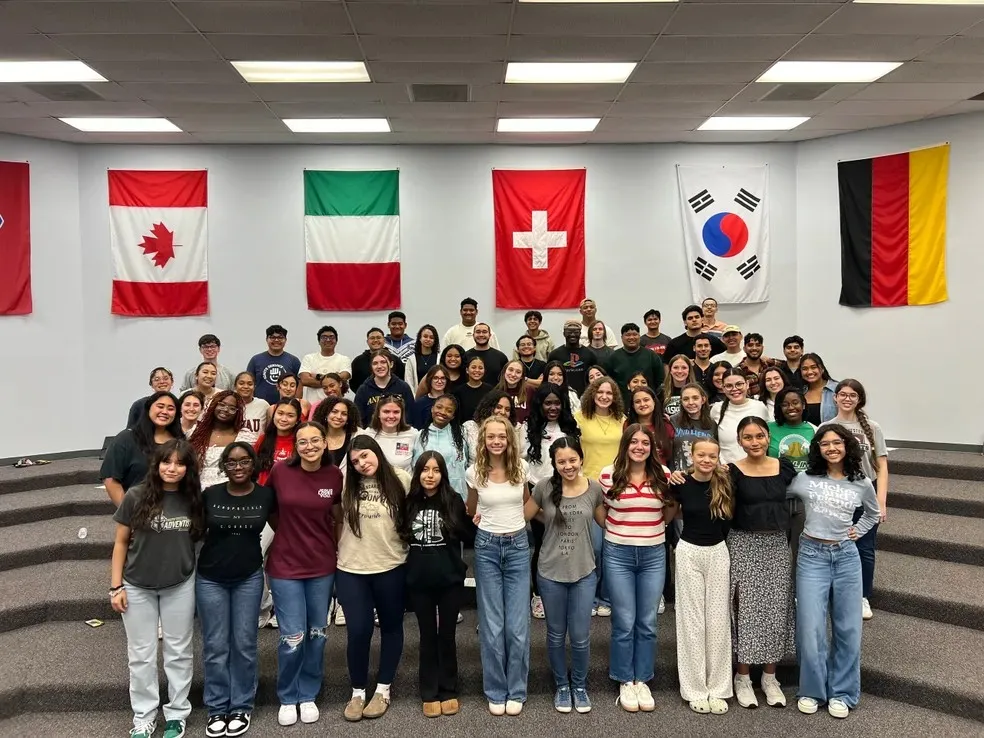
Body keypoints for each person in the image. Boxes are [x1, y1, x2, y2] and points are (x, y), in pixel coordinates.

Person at [110, 439, 203, 738]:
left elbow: (198, 540)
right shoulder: (136, 496)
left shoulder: (194, 498)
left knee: (178, 652)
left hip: (180, 583)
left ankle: (177, 713)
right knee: (141, 655)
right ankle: (144, 716)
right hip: (137, 586)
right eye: (166, 462)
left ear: (188, 468)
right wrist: (115, 587)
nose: (172, 468)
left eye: (179, 463)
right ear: (157, 464)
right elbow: (121, 542)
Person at [789, 424, 880, 719]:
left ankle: (842, 692)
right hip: (811, 555)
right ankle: (812, 690)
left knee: (848, 628)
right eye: (825, 444)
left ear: (847, 445)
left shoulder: (861, 482)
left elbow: (873, 513)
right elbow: (774, 493)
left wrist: (858, 530)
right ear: (817, 448)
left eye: (836, 443)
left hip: (845, 558)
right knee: (811, 626)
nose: (831, 448)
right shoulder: (804, 479)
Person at [266, 422, 344, 727]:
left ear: (325, 444)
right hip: (285, 564)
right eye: (302, 442)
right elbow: (271, 512)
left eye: (315, 441)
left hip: (321, 565)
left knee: (317, 633)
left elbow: (336, 516)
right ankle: (287, 695)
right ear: (295, 447)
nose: (309, 446)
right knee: (292, 636)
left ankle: (308, 692)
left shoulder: (334, 475)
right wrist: (289, 535)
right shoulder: (280, 472)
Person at [197, 442, 276, 738]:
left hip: (248, 577)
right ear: (224, 467)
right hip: (210, 578)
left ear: (253, 464)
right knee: (216, 646)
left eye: (244, 461)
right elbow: (193, 530)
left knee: (244, 644)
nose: (239, 467)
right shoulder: (211, 495)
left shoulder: (265, 495)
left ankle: (242, 705)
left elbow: (282, 529)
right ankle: (217, 707)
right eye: (232, 462)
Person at [524, 437, 606, 714]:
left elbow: (606, 521)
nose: (568, 466)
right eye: (562, 461)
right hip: (550, 572)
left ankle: (579, 686)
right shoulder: (544, 487)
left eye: (573, 460)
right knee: (556, 634)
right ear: (554, 463)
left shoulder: (594, 488)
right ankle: (562, 685)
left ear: (581, 459)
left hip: (584, 572)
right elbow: (524, 515)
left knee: (581, 636)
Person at [599, 425, 674, 713]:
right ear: (625, 445)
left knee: (647, 620)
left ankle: (642, 678)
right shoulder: (608, 474)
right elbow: (602, 511)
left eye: (645, 442)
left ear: (652, 447)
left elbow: (668, 511)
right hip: (618, 553)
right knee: (624, 619)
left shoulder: (664, 476)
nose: (639, 446)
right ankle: (624, 679)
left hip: (654, 554)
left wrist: (650, 531)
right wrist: (621, 532)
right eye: (634, 441)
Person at [338, 435, 412, 722]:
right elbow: (334, 519)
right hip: (351, 567)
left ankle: (383, 689)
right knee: (358, 630)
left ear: (377, 452)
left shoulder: (401, 479)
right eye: (355, 461)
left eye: (365, 456)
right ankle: (357, 692)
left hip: (391, 565)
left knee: (392, 627)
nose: (361, 464)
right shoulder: (346, 483)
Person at [727, 417, 796, 710]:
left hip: (777, 545)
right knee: (746, 608)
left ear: (769, 438)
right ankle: (742, 677)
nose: (754, 442)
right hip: (743, 543)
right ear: (740, 441)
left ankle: (770, 676)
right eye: (747, 437)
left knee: (776, 608)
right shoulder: (732, 471)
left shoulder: (785, 468)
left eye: (759, 436)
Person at [466, 416, 531, 717]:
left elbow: (527, 504)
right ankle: (496, 689)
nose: (496, 441)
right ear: (483, 440)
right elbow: (471, 508)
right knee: (492, 626)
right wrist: (480, 516)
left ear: (508, 440)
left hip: (518, 546)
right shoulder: (474, 473)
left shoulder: (522, 468)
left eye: (501, 436)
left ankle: (516, 689)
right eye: (490, 436)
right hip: (487, 548)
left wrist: (516, 523)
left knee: (517, 627)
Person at [402, 451, 471, 718]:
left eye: (436, 470)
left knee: (448, 635)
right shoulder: (409, 503)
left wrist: (470, 518)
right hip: (419, 581)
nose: (430, 475)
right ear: (418, 473)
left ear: (443, 474)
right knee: (427, 635)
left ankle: (449, 688)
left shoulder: (453, 501)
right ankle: (429, 690)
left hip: (449, 579)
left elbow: (467, 532)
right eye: (425, 470)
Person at [668, 438, 733, 716]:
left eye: (712, 456)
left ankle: (718, 689)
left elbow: (729, 521)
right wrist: (671, 478)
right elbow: (669, 513)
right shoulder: (680, 483)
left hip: (718, 552)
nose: (706, 460)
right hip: (689, 552)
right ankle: (694, 689)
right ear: (691, 456)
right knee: (692, 622)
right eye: (701, 455)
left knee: (718, 621)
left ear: (718, 458)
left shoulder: (727, 483)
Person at [817, 379, 889, 622]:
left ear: (860, 400)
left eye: (853, 395)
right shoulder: (827, 426)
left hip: (865, 497)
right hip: (836, 496)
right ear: (835, 398)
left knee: (864, 548)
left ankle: (862, 596)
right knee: (834, 546)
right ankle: (836, 593)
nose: (847, 399)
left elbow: (882, 467)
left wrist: (881, 501)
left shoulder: (873, 427)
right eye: (843, 394)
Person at [102, 391, 183, 507]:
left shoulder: (180, 441)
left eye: (170, 408)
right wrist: (127, 512)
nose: (164, 412)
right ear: (148, 408)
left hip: (174, 511)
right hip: (138, 510)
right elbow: (111, 480)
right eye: (160, 406)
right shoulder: (126, 439)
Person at [413, 395, 469, 500]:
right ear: (432, 409)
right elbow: (416, 468)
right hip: (426, 497)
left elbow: (465, 466)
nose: (443, 412)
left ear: (453, 416)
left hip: (456, 497)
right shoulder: (420, 436)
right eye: (439, 407)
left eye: (449, 410)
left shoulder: (461, 435)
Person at [525, 384, 581, 488]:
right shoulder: (528, 427)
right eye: (548, 403)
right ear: (539, 404)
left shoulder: (571, 426)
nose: (553, 408)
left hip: (568, 486)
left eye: (557, 403)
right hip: (537, 486)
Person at [188, 391, 245, 490]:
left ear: (237, 413)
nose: (226, 410)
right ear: (214, 405)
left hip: (227, 491)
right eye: (222, 404)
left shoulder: (243, 436)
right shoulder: (195, 432)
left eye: (232, 408)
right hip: (195, 490)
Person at [710, 370, 769, 464]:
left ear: (747, 384)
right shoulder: (716, 409)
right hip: (728, 471)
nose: (734, 389)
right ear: (723, 388)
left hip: (757, 469)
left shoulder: (760, 407)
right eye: (729, 386)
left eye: (739, 384)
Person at [606, 323, 666, 404]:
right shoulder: (613, 357)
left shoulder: (651, 356)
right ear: (621, 338)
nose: (631, 337)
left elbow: (660, 380)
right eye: (628, 335)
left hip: (647, 403)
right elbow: (609, 383)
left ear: (639, 336)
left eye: (635, 334)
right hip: (621, 404)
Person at [353, 350, 415, 429]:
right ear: (371, 366)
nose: (379, 366)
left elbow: (410, 415)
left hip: (399, 434)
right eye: (375, 363)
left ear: (391, 364)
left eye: (383, 362)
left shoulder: (403, 387)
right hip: (371, 435)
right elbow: (358, 419)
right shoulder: (363, 390)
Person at [361, 396, 419, 473]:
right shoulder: (367, 435)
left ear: (402, 414)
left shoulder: (413, 434)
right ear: (378, 414)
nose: (391, 416)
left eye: (396, 412)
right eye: (386, 411)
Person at [246, 324, 302, 405]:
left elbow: (300, 384)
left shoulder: (293, 360)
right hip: (260, 406)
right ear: (266, 339)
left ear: (285, 340)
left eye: (280, 337)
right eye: (272, 337)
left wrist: (296, 403)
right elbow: (249, 383)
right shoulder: (256, 360)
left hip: (286, 406)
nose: (276, 340)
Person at [670, 383, 719, 472]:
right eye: (686, 399)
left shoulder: (712, 424)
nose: (691, 402)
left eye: (695, 398)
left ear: (703, 399)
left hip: (705, 475)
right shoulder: (672, 421)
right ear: (681, 401)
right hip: (679, 477)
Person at [299, 326, 352, 405]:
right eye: (324, 337)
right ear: (319, 341)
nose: (328, 340)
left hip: (337, 406)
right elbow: (304, 380)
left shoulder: (344, 359)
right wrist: (334, 380)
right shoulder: (309, 358)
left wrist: (317, 376)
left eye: (331, 337)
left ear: (336, 341)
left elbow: (344, 376)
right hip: (313, 407)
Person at [254, 399, 302, 487]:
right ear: (274, 415)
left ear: (297, 420)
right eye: (280, 413)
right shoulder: (263, 439)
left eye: (290, 416)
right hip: (264, 491)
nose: (284, 419)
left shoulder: (301, 442)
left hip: (290, 492)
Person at [311, 396, 361, 476]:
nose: (338, 417)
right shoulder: (313, 435)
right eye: (334, 412)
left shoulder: (356, 435)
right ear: (326, 413)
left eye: (344, 414)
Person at [463, 391, 520, 461]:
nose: (503, 412)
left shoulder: (515, 429)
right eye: (498, 407)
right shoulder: (469, 427)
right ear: (488, 407)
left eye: (507, 409)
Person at [626, 386, 674, 466]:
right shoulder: (627, 425)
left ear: (654, 401)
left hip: (661, 474)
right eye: (637, 401)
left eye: (646, 400)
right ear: (633, 406)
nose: (642, 404)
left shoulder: (666, 425)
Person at [547, 321, 597, 398]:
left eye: (576, 332)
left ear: (580, 334)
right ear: (564, 333)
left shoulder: (590, 354)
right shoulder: (554, 355)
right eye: (569, 332)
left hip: (585, 397)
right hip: (560, 396)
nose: (573, 335)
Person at [351, 328, 406, 393]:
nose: (376, 340)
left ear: (384, 340)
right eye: (372, 338)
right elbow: (353, 383)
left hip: (393, 399)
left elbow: (403, 378)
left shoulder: (395, 359)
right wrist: (363, 394)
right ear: (367, 341)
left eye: (378, 337)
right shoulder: (358, 361)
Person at [736, 333, 779, 398]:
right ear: (744, 348)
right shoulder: (738, 371)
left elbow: (789, 363)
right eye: (750, 345)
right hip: (750, 406)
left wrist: (769, 360)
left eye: (758, 345)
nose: (754, 348)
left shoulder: (769, 365)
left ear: (762, 348)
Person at [453, 356, 494, 424]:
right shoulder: (458, 392)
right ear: (467, 370)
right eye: (473, 367)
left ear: (484, 370)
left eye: (480, 368)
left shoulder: (490, 390)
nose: (477, 370)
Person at [234, 371, 270, 447]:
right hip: (234, 448)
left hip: (257, 449)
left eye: (250, 384)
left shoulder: (263, 405)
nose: (246, 386)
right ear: (235, 386)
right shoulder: (230, 405)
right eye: (241, 383)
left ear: (254, 386)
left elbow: (269, 430)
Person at [801, 353, 838, 426]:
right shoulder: (800, 393)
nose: (809, 372)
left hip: (832, 436)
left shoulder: (837, 389)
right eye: (805, 369)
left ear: (822, 369)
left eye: (813, 367)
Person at [496, 359, 536, 424]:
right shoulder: (495, 392)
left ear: (521, 376)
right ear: (504, 371)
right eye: (510, 370)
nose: (513, 374)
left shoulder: (530, 390)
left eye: (518, 372)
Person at [413, 365, 452, 430]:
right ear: (430, 380)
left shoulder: (452, 401)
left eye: (443, 378)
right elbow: (417, 428)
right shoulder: (420, 403)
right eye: (435, 378)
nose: (439, 381)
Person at [405, 324, 440, 391]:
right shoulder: (411, 360)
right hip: (417, 398)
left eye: (431, 337)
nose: (428, 339)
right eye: (425, 336)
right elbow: (408, 382)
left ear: (435, 340)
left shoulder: (439, 358)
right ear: (420, 338)